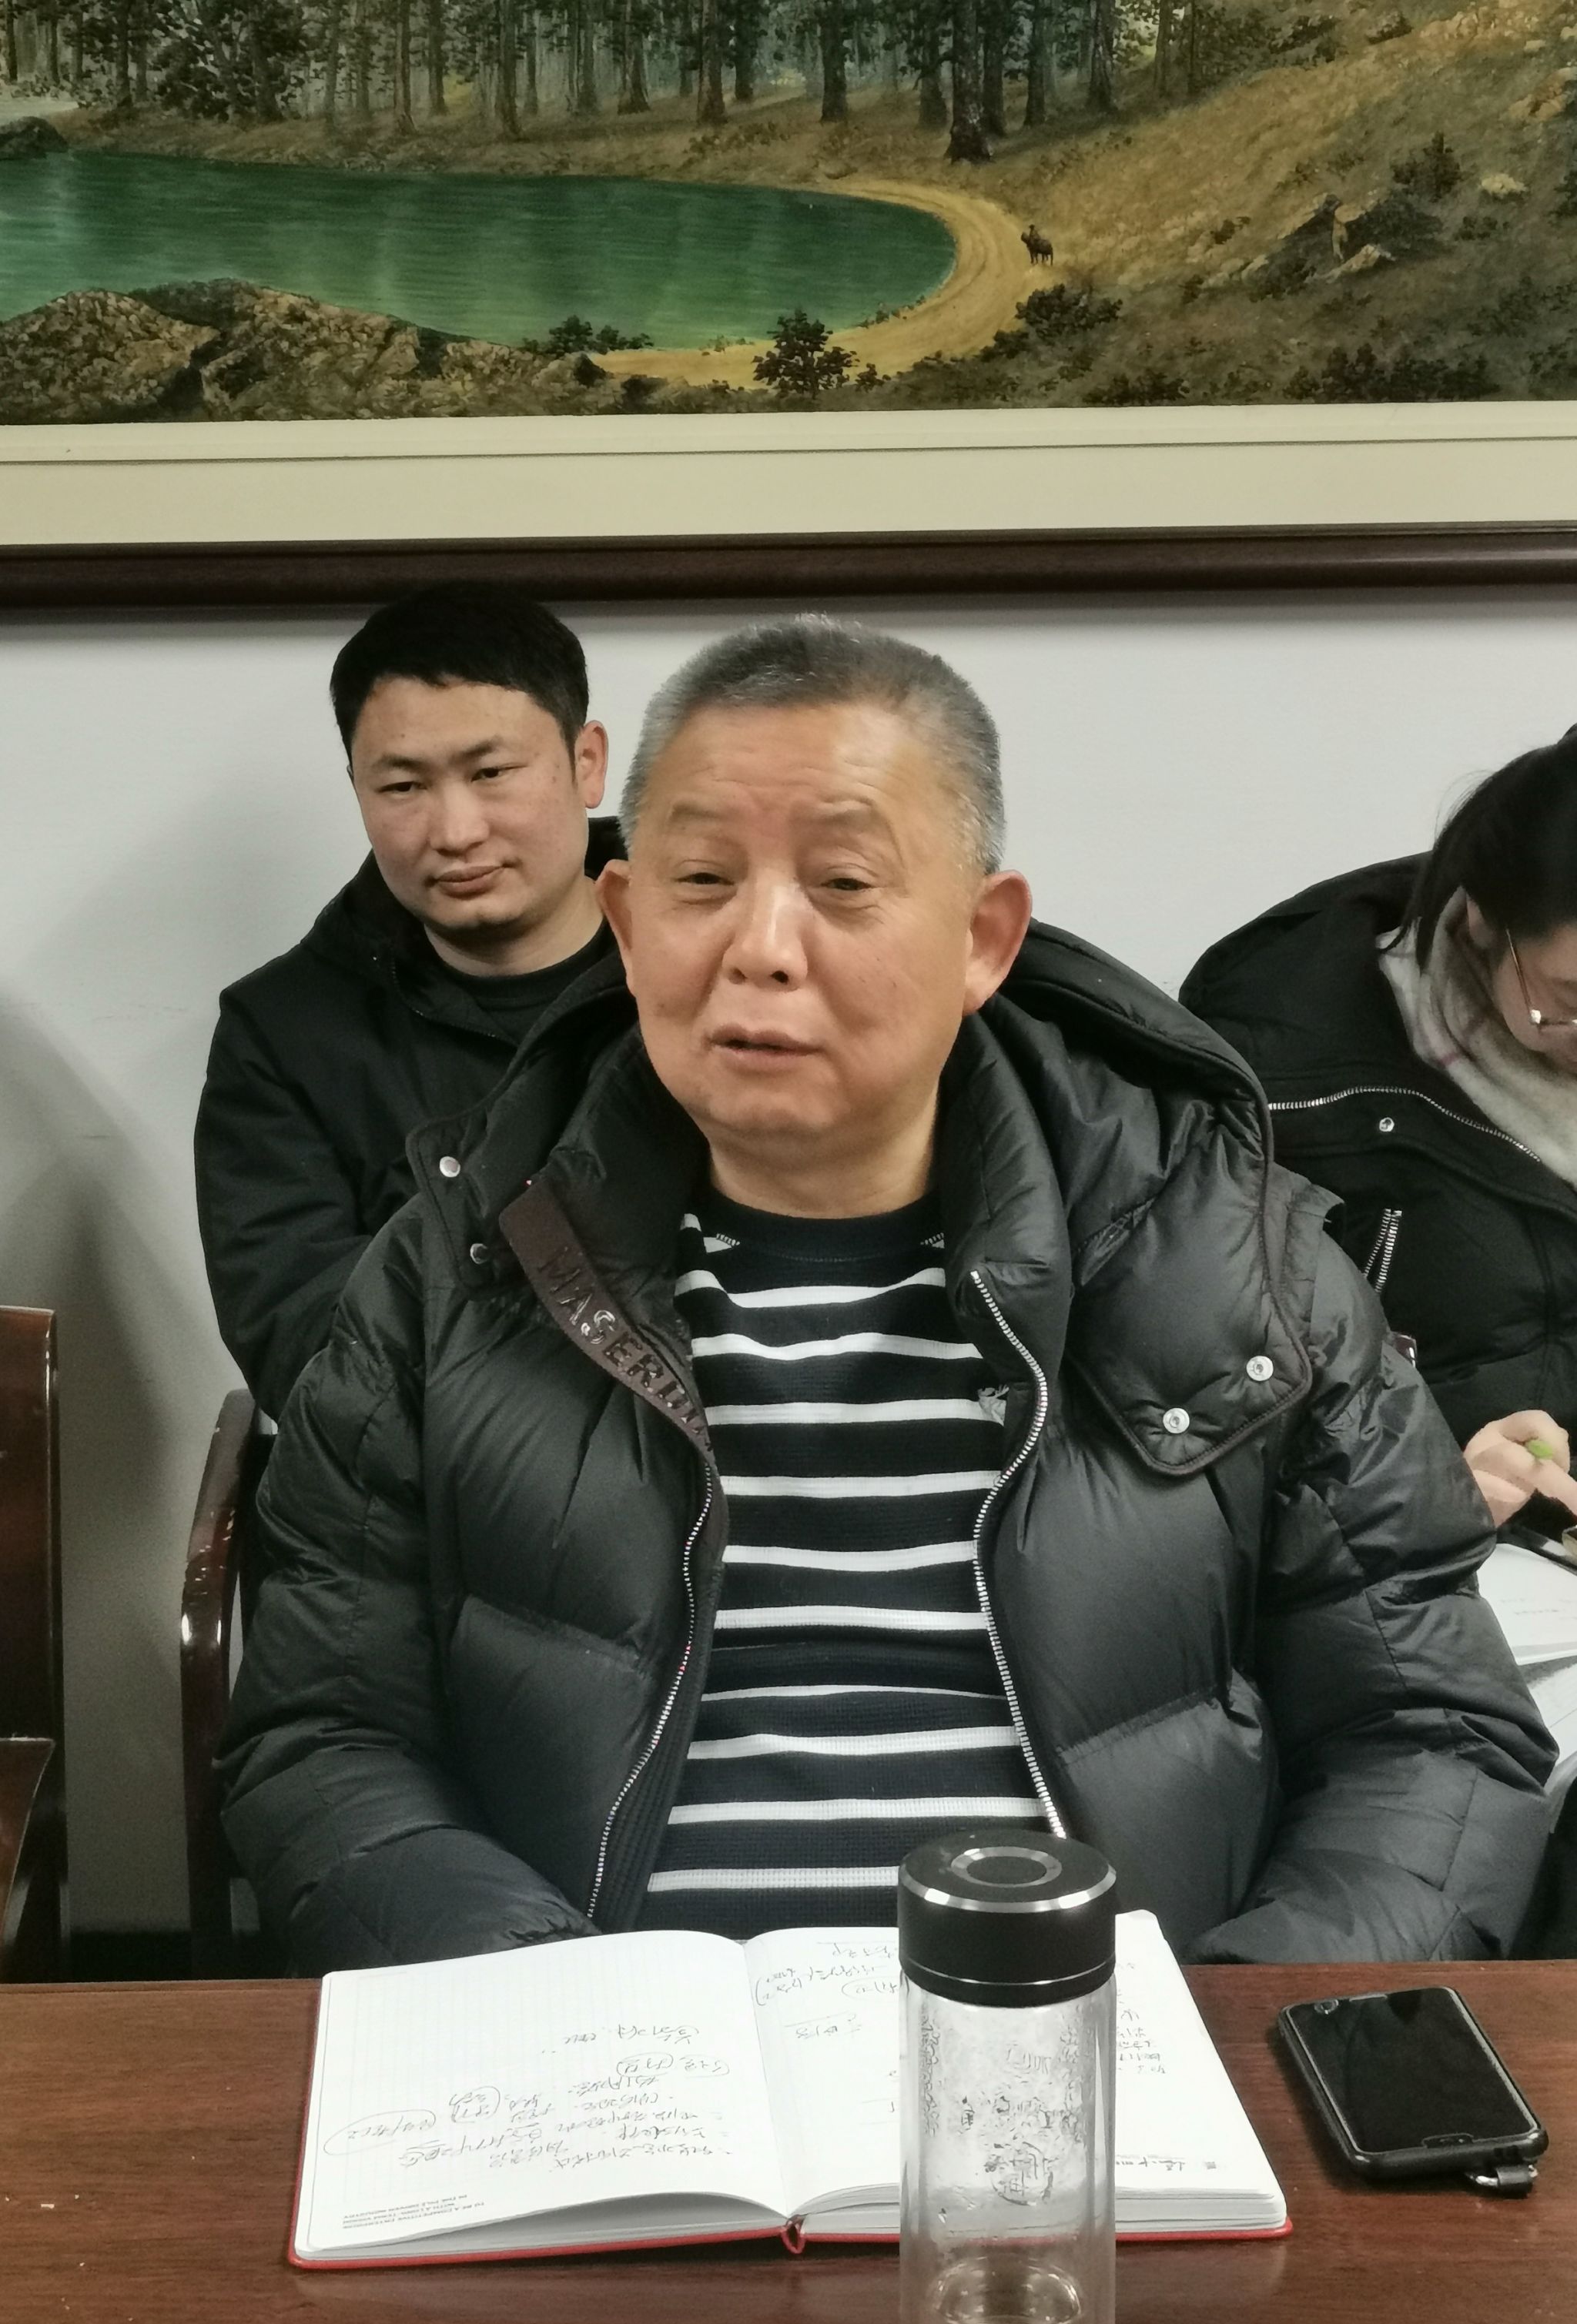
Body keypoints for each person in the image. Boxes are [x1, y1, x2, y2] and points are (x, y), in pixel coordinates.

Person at [219, 617, 1553, 1976]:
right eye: (700, 880)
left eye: (844, 882)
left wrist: (1232, 2026)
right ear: (623, 923)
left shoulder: (1229, 1262)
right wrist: (547, 2002)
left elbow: (1433, 1738)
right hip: (601, 2050)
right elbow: (326, 1738)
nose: (760, 947)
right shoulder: (455, 1274)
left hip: (1109, 2048)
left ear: (982, 938)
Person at [195, 584, 620, 1422]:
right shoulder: (281, 1033)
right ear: (358, 789)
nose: (455, 831)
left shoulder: (721, 973)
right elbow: (306, 1353)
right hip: (426, 1488)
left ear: (587, 763)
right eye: (402, 787)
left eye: (491, 773)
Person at [1183, 733, 1577, 1533]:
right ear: (1482, 920)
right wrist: (1419, 1482)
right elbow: (1205, 1408)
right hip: (1446, 1555)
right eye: (1570, 999)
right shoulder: (1282, 1078)